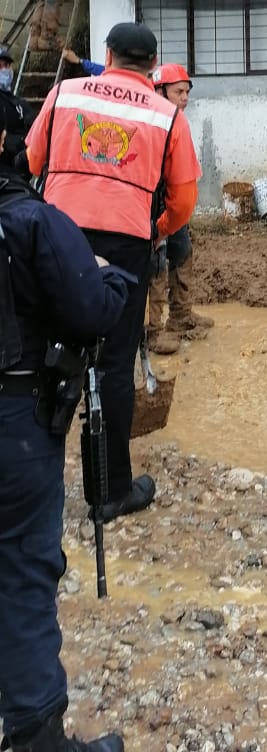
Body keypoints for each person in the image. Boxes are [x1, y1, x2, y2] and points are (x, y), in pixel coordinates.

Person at [26, 23, 201, 520]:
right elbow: (183, 199)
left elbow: (34, 160)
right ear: (153, 65)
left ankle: (30, 482)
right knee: (114, 363)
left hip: (56, 236)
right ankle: (109, 493)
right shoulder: (168, 116)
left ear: (107, 55)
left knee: (40, 351)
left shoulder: (64, 94)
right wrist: (157, 229)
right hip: (126, 245)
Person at [0, 97, 132, 752]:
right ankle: (36, 735)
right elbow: (88, 311)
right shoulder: (32, 222)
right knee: (23, 565)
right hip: (15, 423)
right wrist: (110, 282)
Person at [148, 64, 212, 355]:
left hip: (174, 204)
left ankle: (181, 315)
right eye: (179, 92)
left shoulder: (178, 121)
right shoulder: (149, 120)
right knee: (155, 264)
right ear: (160, 91)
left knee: (182, 252)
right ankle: (153, 330)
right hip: (151, 206)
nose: (185, 97)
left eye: (187, 92)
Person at [0, 45, 36, 175]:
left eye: (7, 66)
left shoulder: (19, 102)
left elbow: (35, 126)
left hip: (21, 172)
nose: (4, 70)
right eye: (0, 66)